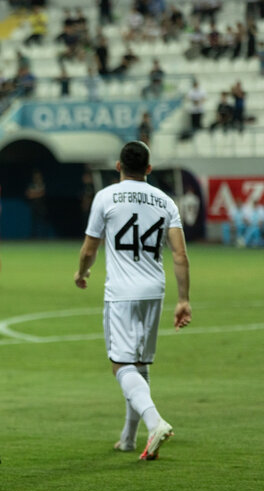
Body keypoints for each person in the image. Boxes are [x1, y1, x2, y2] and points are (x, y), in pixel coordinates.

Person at [74, 141, 191, 461]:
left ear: (118, 166)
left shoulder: (105, 196)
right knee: (139, 364)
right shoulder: (166, 201)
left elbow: (89, 248)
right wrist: (183, 299)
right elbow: (180, 254)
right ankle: (128, 438)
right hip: (155, 289)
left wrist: (82, 272)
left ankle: (155, 423)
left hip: (122, 292)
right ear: (149, 169)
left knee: (121, 365)